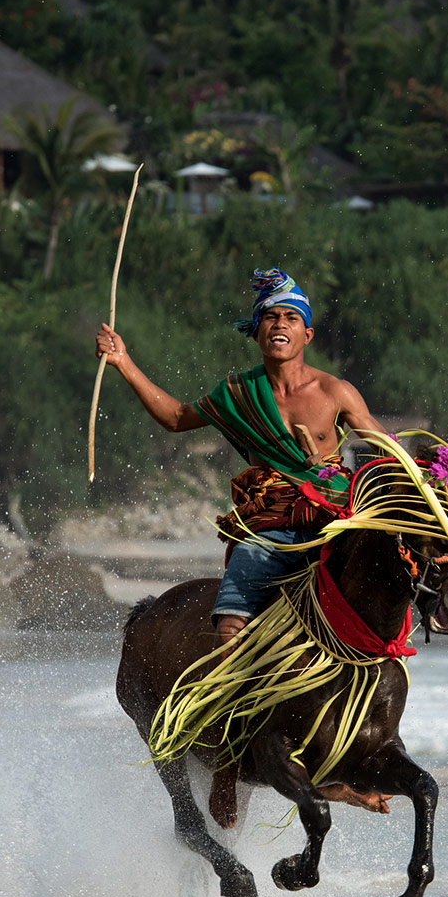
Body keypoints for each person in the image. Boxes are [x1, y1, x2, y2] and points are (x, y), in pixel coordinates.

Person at [94, 268, 386, 648]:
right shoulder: (236, 392)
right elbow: (176, 418)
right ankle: (232, 702)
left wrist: (437, 476)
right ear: (258, 328)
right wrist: (123, 362)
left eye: (291, 317)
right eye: (270, 316)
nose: (280, 324)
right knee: (231, 620)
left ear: (307, 334)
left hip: (334, 518)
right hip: (269, 524)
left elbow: (386, 446)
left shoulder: (336, 391)